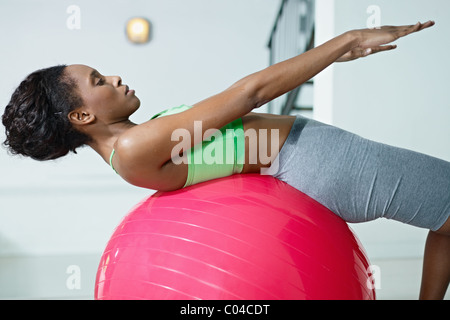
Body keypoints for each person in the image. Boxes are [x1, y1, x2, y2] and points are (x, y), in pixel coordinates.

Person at [2, 21, 449, 299]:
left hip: (312, 160)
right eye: (99, 80)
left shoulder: (138, 144)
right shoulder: (135, 150)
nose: (114, 77)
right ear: (82, 115)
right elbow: (247, 95)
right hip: (321, 163)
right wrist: (344, 42)